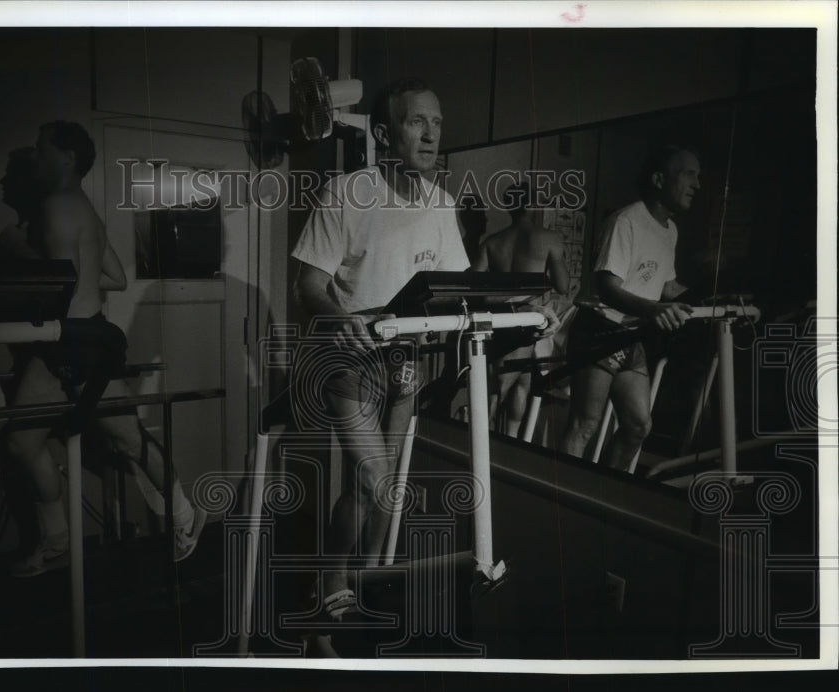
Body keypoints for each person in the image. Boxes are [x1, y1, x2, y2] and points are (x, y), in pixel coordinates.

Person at [290, 79, 555, 655]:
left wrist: (527, 309)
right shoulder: (348, 193)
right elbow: (307, 283)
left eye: (436, 121)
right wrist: (345, 317)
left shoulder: (440, 202)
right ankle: (330, 584)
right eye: (416, 122)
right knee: (372, 479)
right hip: (351, 358)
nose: (431, 132)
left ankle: (354, 590)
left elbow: (465, 289)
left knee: (382, 495)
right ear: (385, 134)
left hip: (404, 361)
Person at [1, 123, 205, 577]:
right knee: (23, 443)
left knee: (120, 442)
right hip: (80, 338)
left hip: (71, 341)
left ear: (67, 157)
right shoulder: (84, 209)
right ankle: (62, 541)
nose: (36, 159)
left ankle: (184, 517)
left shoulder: (55, 207)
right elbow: (113, 277)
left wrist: (14, 251)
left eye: (41, 149)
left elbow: (61, 284)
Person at [557, 144, 698, 471]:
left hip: (630, 335)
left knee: (638, 425)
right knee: (585, 424)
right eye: (688, 174)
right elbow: (608, 287)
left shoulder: (670, 231)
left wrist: (714, 297)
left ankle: (603, 489)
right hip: (599, 329)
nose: (697, 184)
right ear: (660, 179)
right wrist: (654, 310)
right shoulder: (627, 221)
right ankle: (560, 502)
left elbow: (668, 287)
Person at [472, 182, 570, 436]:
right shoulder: (549, 238)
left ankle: (511, 441)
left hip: (502, 318)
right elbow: (563, 284)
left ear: (509, 206)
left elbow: (474, 285)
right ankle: (479, 443)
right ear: (533, 204)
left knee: (520, 382)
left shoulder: (492, 242)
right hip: (527, 318)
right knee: (500, 387)